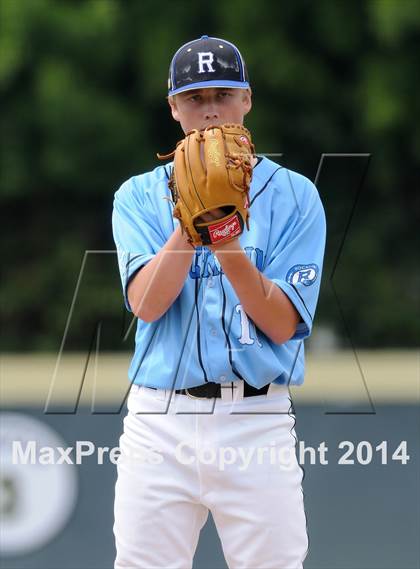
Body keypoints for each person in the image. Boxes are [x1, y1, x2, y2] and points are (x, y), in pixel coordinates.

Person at [112, 35, 326, 569]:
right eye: (194, 98)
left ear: (247, 98)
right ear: (173, 108)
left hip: (256, 417)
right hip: (159, 419)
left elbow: (281, 323)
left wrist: (225, 236)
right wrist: (191, 221)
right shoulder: (137, 195)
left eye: (222, 94)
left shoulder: (296, 195)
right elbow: (146, 304)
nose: (209, 111)